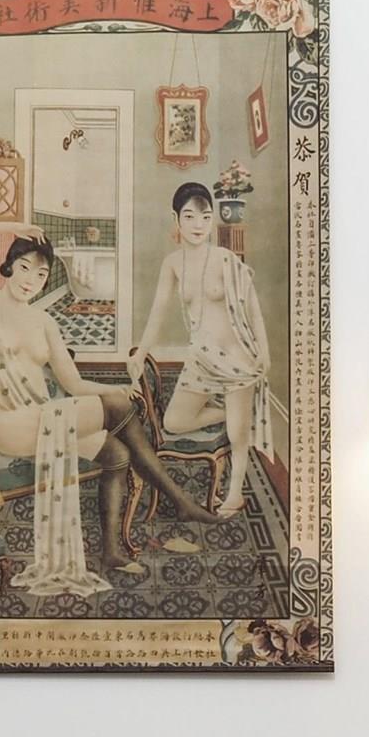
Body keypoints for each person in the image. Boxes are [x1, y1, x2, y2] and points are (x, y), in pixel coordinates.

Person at [0, 219, 208, 577]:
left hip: (40, 416)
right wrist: (13, 226)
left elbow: (72, 383)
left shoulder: (45, 322)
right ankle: (178, 499)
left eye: (41, 275)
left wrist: (111, 389)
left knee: (116, 454)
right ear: (8, 267)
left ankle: (112, 553)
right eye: (24, 268)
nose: (30, 280)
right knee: (119, 409)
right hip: (9, 426)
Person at [133, 183, 275, 520]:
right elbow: (158, 311)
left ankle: (235, 492)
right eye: (190, 216)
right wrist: (141, 352)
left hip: (237, 356)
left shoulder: (224, 258)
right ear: (176, 219)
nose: (198, 224)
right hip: (202, 358)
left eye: (205, 216)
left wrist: (264, 352)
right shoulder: (172, 263)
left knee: (238, 434)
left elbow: (252, 307)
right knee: (175, 421)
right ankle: (229, 412)